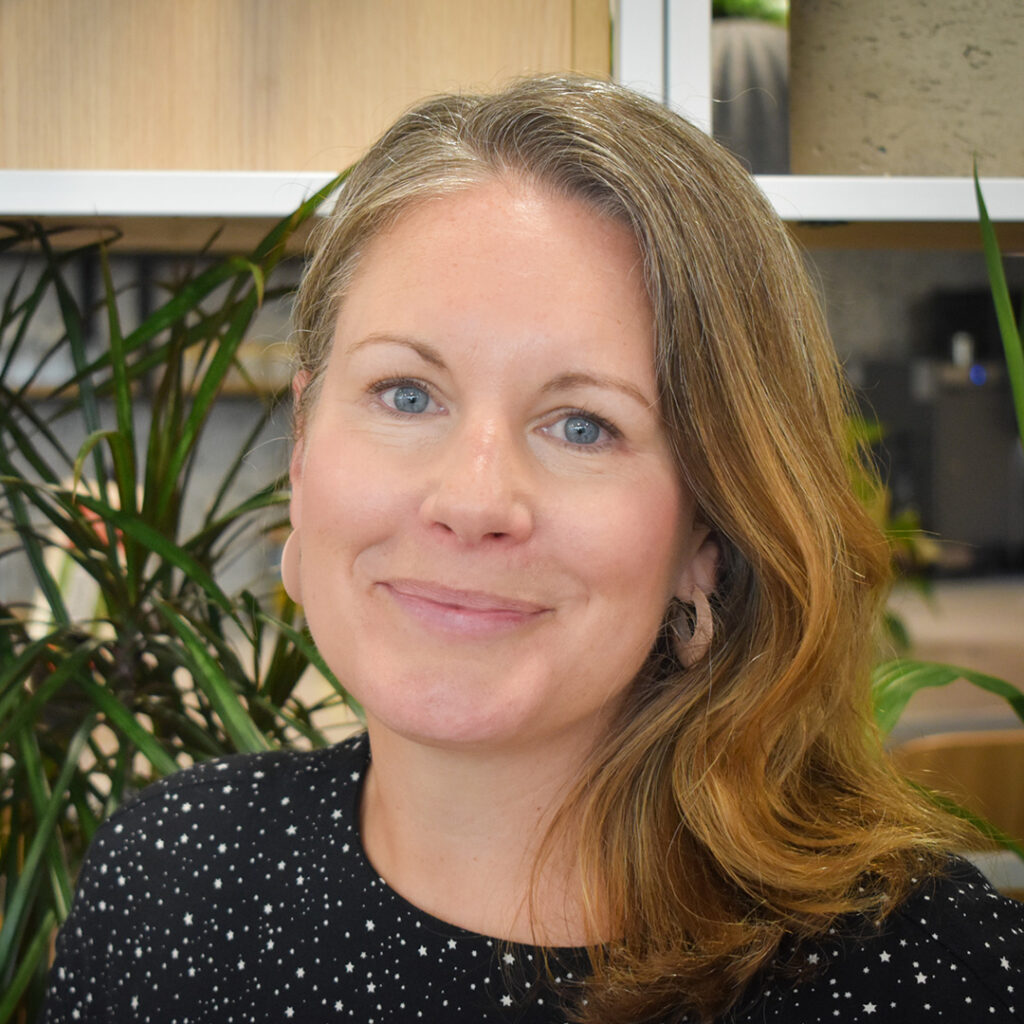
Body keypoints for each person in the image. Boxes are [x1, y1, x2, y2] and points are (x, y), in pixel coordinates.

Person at [42, 75, 1024, 1024]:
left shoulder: (928, 976)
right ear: (303, 448)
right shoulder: (166, 878)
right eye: (406, 394)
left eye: (583, 425)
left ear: (708, 534)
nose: (472, 502)